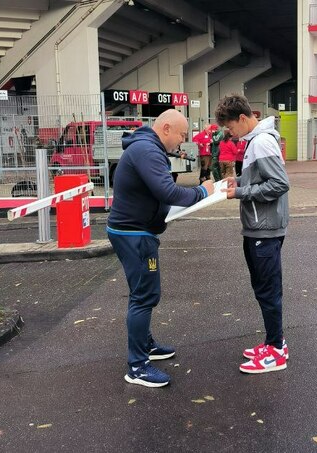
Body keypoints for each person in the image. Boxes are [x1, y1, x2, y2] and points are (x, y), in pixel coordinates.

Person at [107, 109, 215, 388]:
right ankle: (137, 367)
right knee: (145, 296)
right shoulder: (147, 150)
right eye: (181, 135)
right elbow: (169, 192)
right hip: (135, 234)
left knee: (142, 293)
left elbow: (159, 192)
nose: (182, 141)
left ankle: (145, 346)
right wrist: (204, 191)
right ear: (166, 128)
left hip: (132, 231)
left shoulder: (145, 147)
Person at [215, 93, 290, 374]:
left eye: (230, 127)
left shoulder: (261, 142)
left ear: (243, 118)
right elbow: (261, 179)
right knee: (264, 289)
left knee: (268, 291)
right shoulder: (255, 140)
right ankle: (274, 343)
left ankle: (276, 350)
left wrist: (240, 192)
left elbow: (279, 184)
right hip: (260, 226)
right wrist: (238, 181)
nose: (230, 133)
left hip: (265, 229)